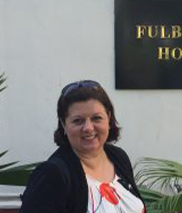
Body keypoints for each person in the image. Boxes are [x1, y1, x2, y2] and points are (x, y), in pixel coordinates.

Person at [20, 80, 145, 213]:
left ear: (108, 118)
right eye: (78, 121)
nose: (88, 128)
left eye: (96, 118)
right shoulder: (52, 174)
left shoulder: (119, 157)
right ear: (64, 124)